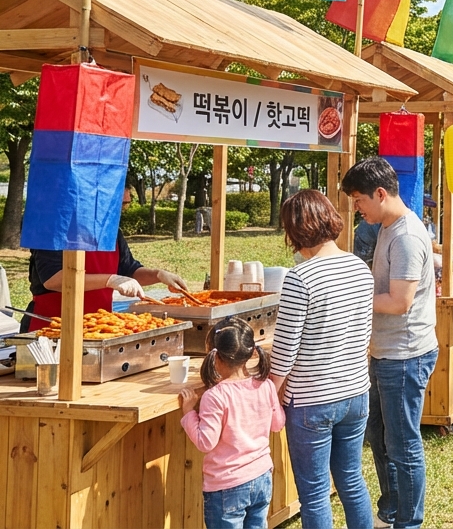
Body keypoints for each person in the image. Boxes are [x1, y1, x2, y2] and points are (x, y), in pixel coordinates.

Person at [341, 158, 439, 529]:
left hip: (406, 354)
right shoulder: (387, 225)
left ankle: (408, 521)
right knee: (380, 437)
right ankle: (391, 509)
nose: (356, 207)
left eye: (359, 199)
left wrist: (349, 295)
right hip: (386, 351)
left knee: (403, 444)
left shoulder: (406, 236)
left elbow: (399, 302)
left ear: (380, 194)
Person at [270, 189, 375, 529]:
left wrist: (269, 390)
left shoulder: (300, 279)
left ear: (296, 231)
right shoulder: (360, 269)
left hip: (311, 401)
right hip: (356, 392)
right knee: (351, 480)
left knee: (314, 495)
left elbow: (284, 353)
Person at [23, 185, 192, 331]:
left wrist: (158, 275)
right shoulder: (56, 228)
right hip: (50, 325)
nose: (119, 211)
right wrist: (110, 280)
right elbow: (53, 279)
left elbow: (129, 270)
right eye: (117, 204)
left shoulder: (111, 233)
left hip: (96, 325)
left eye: (124, 205)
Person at [180, 317, 285, 529]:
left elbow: (205, 443)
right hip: (262, 476)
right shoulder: (265, 386)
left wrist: (188, 412)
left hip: (226, 485)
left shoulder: (215, 396)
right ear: (251, 352)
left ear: (215, 357)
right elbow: (277, 424)